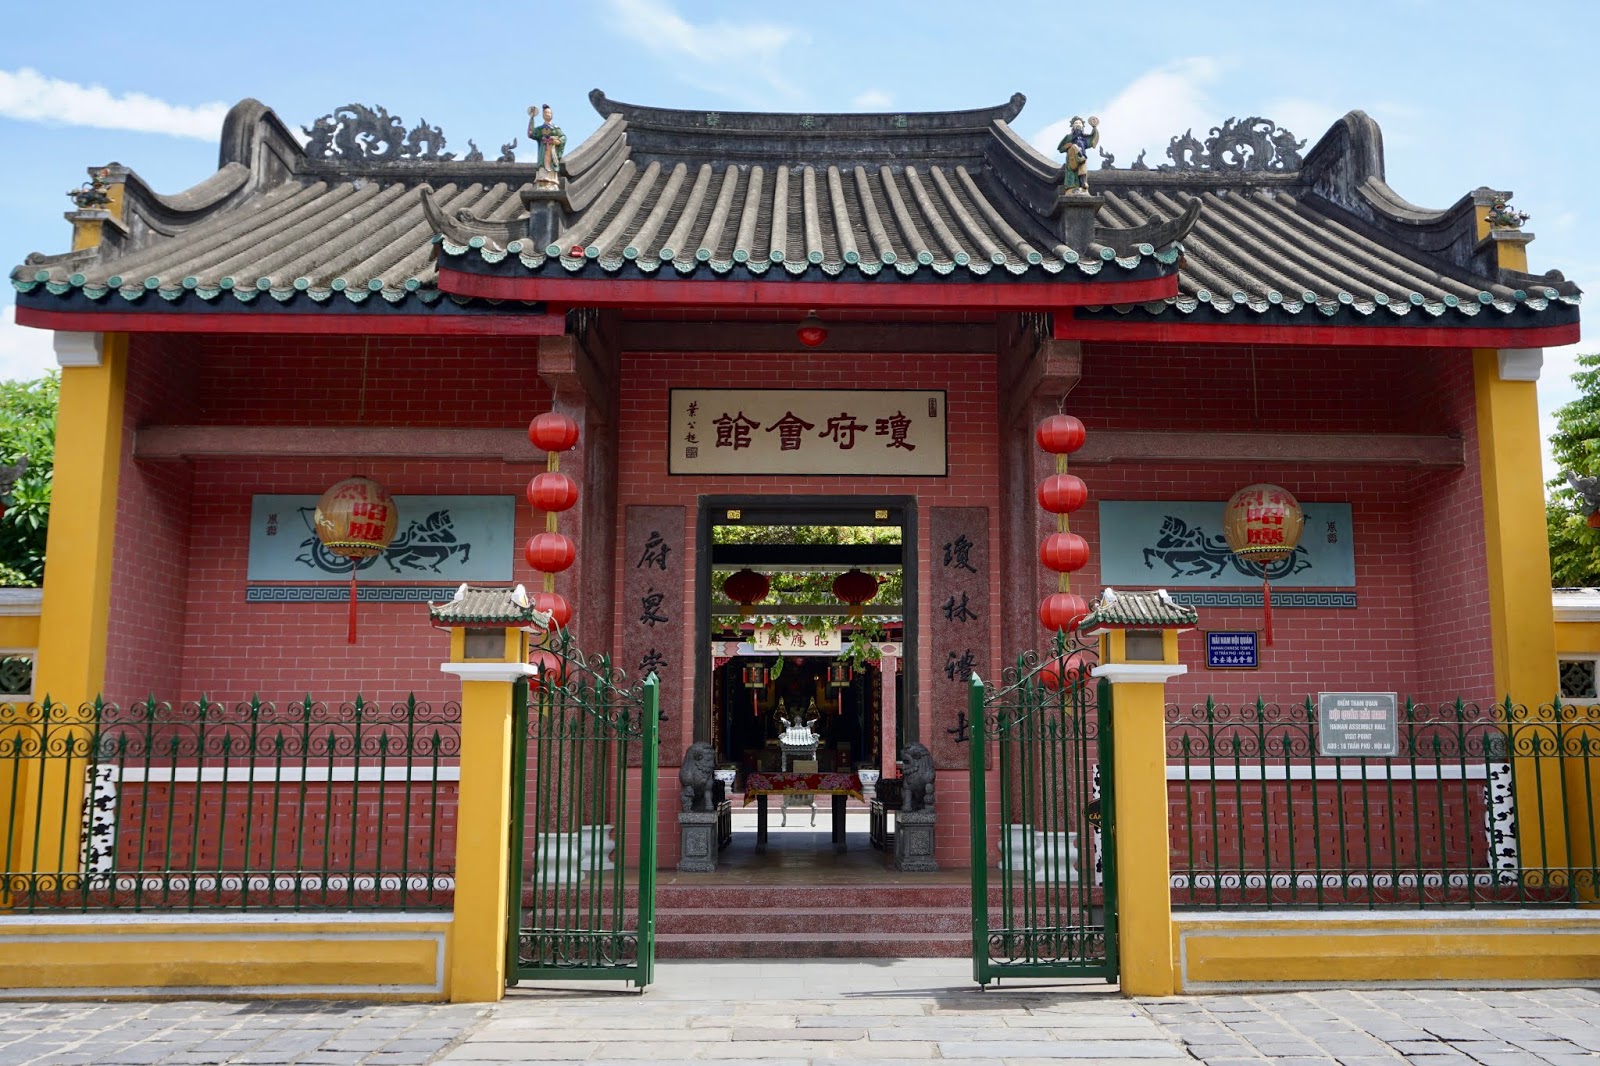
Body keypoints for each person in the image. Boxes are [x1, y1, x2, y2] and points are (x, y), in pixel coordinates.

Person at [1057, 115, 1100, 195]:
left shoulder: (1084, 138)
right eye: (1076, 123)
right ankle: (1071, 188)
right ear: (1073, 126)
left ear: (1082, 126)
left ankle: (1083, 185)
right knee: (1072, 173)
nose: (1078, 124)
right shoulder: (1069, 137)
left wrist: (1094, 127)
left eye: (1080, 123)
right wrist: (1068, 145)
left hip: (1082, 157)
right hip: (1072, 158)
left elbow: (1093, 138)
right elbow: (1061, 149)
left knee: (1082, 170)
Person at [527, 104, 566, 188]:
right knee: (542, 166)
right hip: (543, 152)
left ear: (552, 114)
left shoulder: (556, 128)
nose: (547, 114)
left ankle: (552, 181)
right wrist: (532, 118)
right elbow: (531, 134)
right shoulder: (540, 129)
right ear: (542, 115)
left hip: (552, 151)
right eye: (545, 113)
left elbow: (563, 137)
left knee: (552, 164)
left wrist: (556, 141)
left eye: (549, 113)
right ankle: (542, 180)